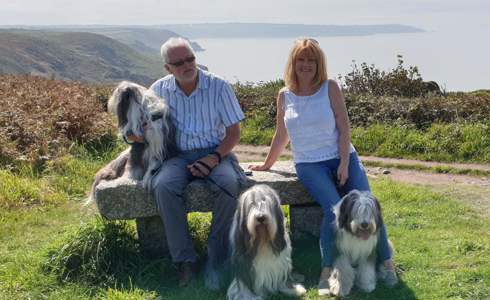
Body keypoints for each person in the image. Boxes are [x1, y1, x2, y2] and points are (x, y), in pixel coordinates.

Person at [249, 38, 398, 294]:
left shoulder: (330, 87)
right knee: (335, 211)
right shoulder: (284, 95)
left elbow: (343, 127)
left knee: (370, 205)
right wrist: (267, 164)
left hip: (343, 156)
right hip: (309, 163)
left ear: (319, 64)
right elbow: (281, 134)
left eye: (311, 60)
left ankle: (388, 263)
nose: (306, 65)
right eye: (301, 60)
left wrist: (343, 163)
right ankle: (327, 270)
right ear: (293, 63)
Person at [129, 37, 246, 289]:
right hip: (176, 156)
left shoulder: (219, 86)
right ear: (167, 68)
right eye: (178, 62)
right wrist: (137, 134)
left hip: (216, 151)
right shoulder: (158, 90)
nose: (186, 65)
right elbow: (141, 129)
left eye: (190, 59)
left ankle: (218, 258)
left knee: (229, 184)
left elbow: (234, 133)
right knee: (163, 186)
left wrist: (213, 158)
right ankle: (186, 261)